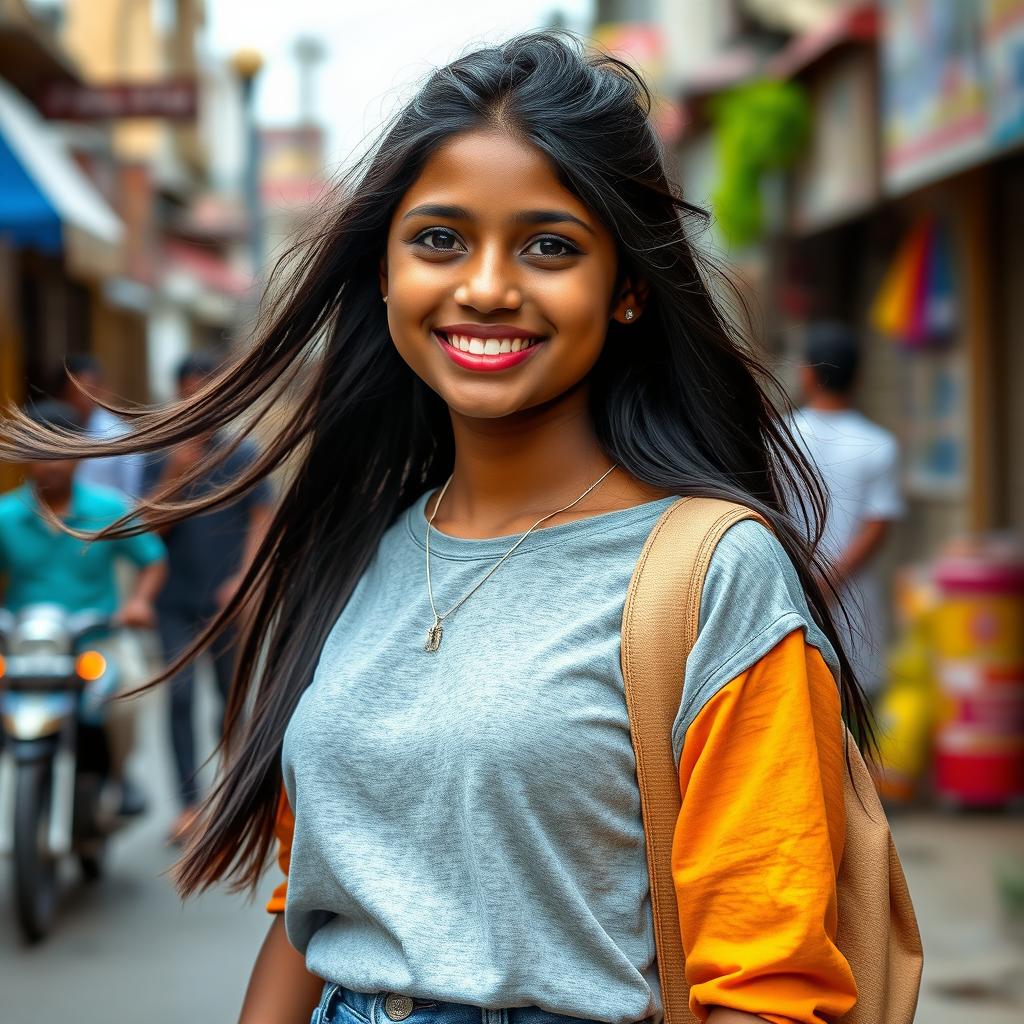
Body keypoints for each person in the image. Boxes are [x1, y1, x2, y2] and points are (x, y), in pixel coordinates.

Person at [3, 34, 879, 1024]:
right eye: (439, 239)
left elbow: (762, 989)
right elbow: (316, 905)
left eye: (549, 244)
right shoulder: (356, 545)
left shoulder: (711, 572)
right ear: (384, 273)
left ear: (627, 286)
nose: (487, 286)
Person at [0, 400, 166, 815]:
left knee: (124, 700)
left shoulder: (107, 510)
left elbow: (152, 560)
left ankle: (118, 775)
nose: (52, 464)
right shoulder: (5, 516)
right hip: (23, 648)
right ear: (25, 456)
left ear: (80, 455)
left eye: (62, 452)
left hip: (97, 642)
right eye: (41, 453)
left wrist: (139, 603)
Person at [143, 352, 274, 844]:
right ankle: (188, 807)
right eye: (192, 391)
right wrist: (176, 474)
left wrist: (245, 579)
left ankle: (233, 802)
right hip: (173, 598)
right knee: (177, 697)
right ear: (178, 393)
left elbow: (262, 519)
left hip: (225, 601)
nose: (200, 402)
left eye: (210, 392)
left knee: (229, 701)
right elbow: (149, 529)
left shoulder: (242, 452)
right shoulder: (159, 452)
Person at [790, 322, 905, 698]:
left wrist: (810, 580)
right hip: (855, 598)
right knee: (854, 709)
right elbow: (878, 524)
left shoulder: (780, 437)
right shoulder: (879, 443)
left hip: (791, 589)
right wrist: (832, 580)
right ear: (859, 377)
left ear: (806, 373)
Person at [60, 353, 145, 499]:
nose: (83, 400)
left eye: (89, 392)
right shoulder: (57, 431)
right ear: (64, 393)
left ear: (101, 390)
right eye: (76, 392)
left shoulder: (120, 435)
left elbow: (131, 494)